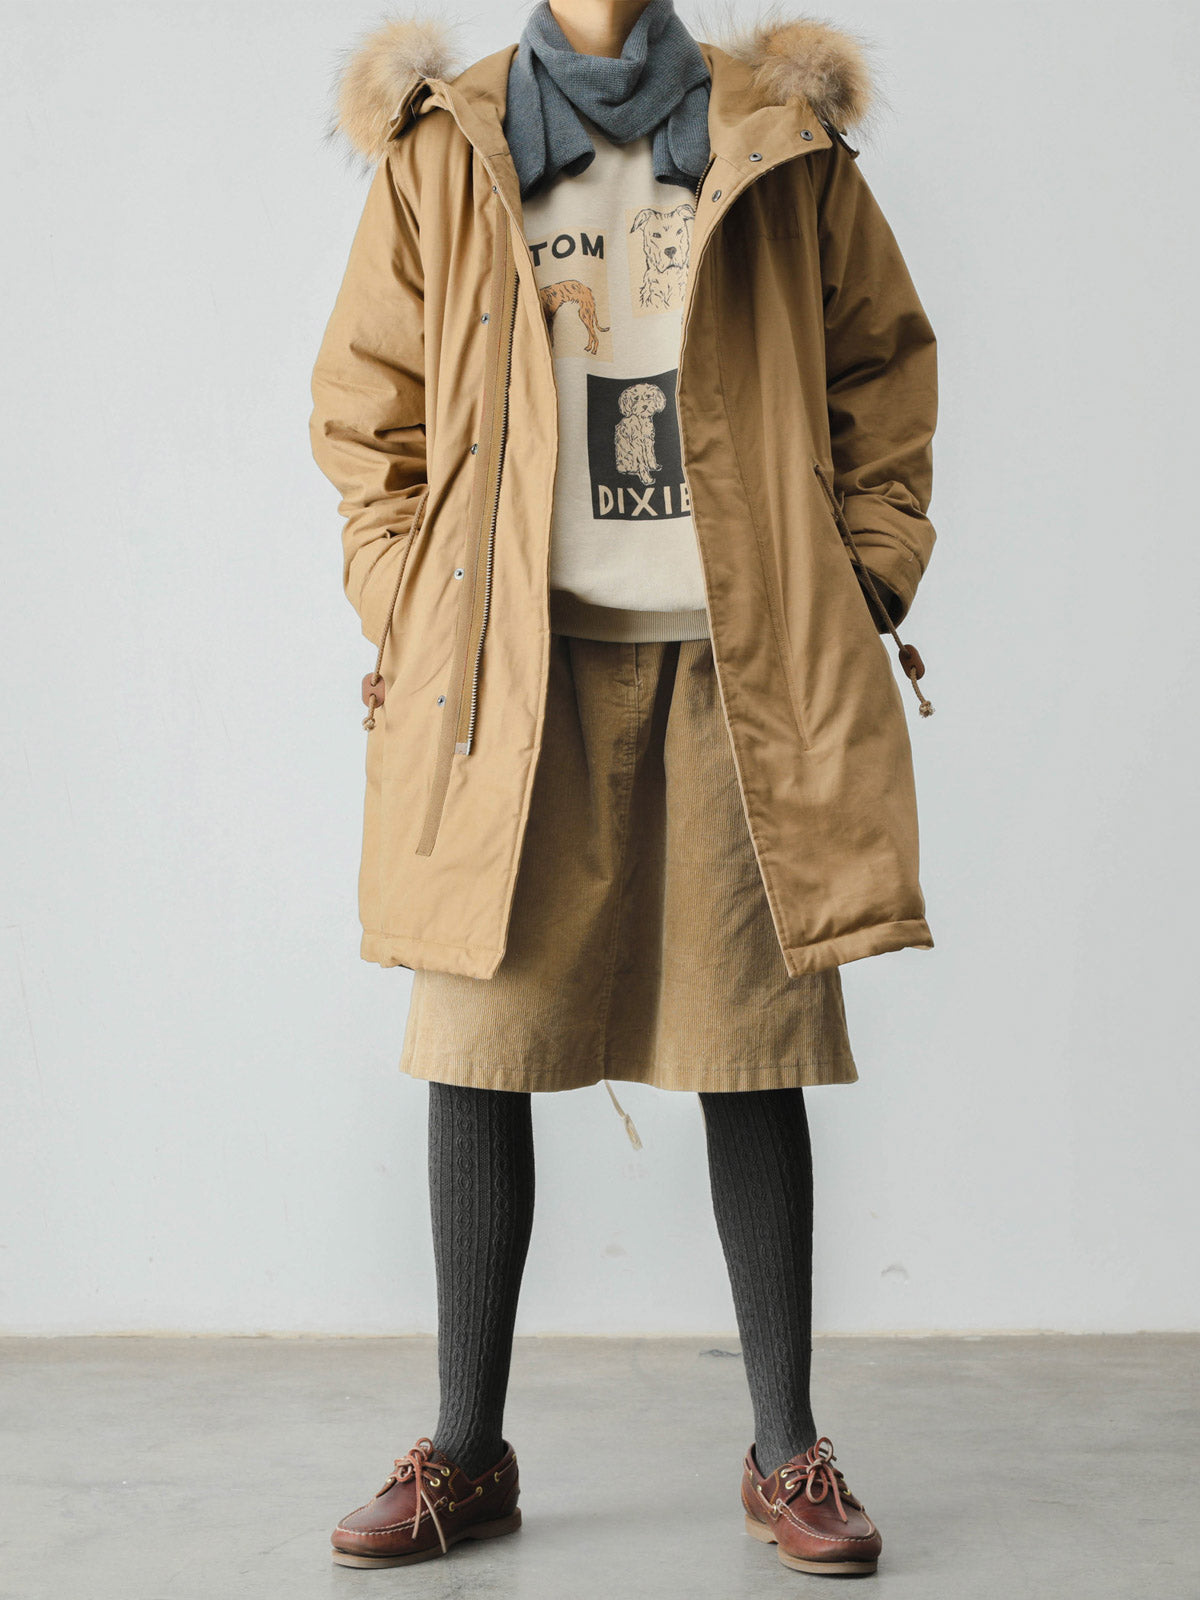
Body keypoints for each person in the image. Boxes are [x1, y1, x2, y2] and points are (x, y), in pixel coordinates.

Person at [308, 0, 937, 1578]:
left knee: (753, 1045)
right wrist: (410, 605)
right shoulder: (447, 146)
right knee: (478, 1043)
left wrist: (862, 576)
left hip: (741, 664)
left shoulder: (776, 134)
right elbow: (369, 415)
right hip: (511, 673)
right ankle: (465, 1453)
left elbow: (884, 371)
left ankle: (787, 1450)